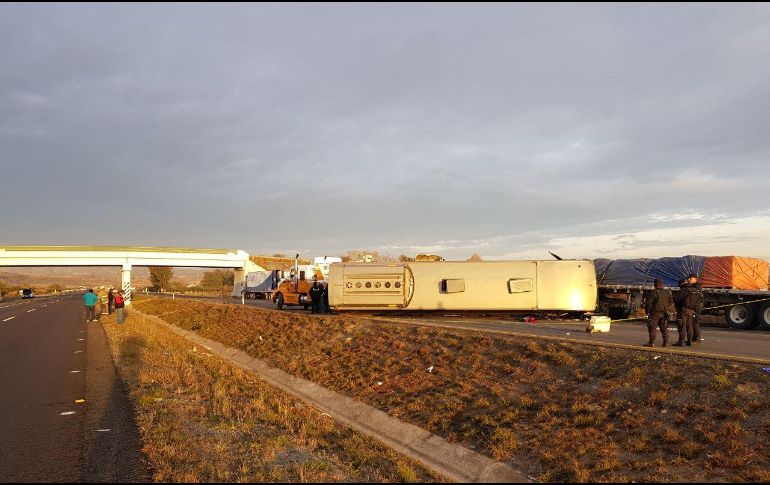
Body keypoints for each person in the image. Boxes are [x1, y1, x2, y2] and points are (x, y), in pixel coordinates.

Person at [644, 279, 674, 347]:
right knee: (664, 327)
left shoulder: (653, 292)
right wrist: (668, 310)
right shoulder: (667, 292)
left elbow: (649, 303)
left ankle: (651, 342)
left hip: (654, 313)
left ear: (655, 285)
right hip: (664, 313)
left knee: (652, 327)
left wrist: (647, 312)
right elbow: (671, 302)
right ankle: (665, 341)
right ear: (662, 284)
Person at [679, 273, 704, 346]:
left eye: (690, 278)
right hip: (695, 306)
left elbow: (699, 296)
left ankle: (697, 338)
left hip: (696, 307)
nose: (689, 279)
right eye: (688, 278)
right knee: (692, 323)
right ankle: (693, 339)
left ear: (694, 278)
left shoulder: (697, 286)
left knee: (694, 323)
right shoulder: (696, 285)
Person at [672, 279, 688, 346]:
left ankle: (681, 341)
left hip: (682, 310)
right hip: (691, 311)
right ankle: (689, 340)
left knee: (681, 325)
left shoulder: (683, 291)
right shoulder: (693, 289)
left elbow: (675, 299)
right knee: (689, 326)